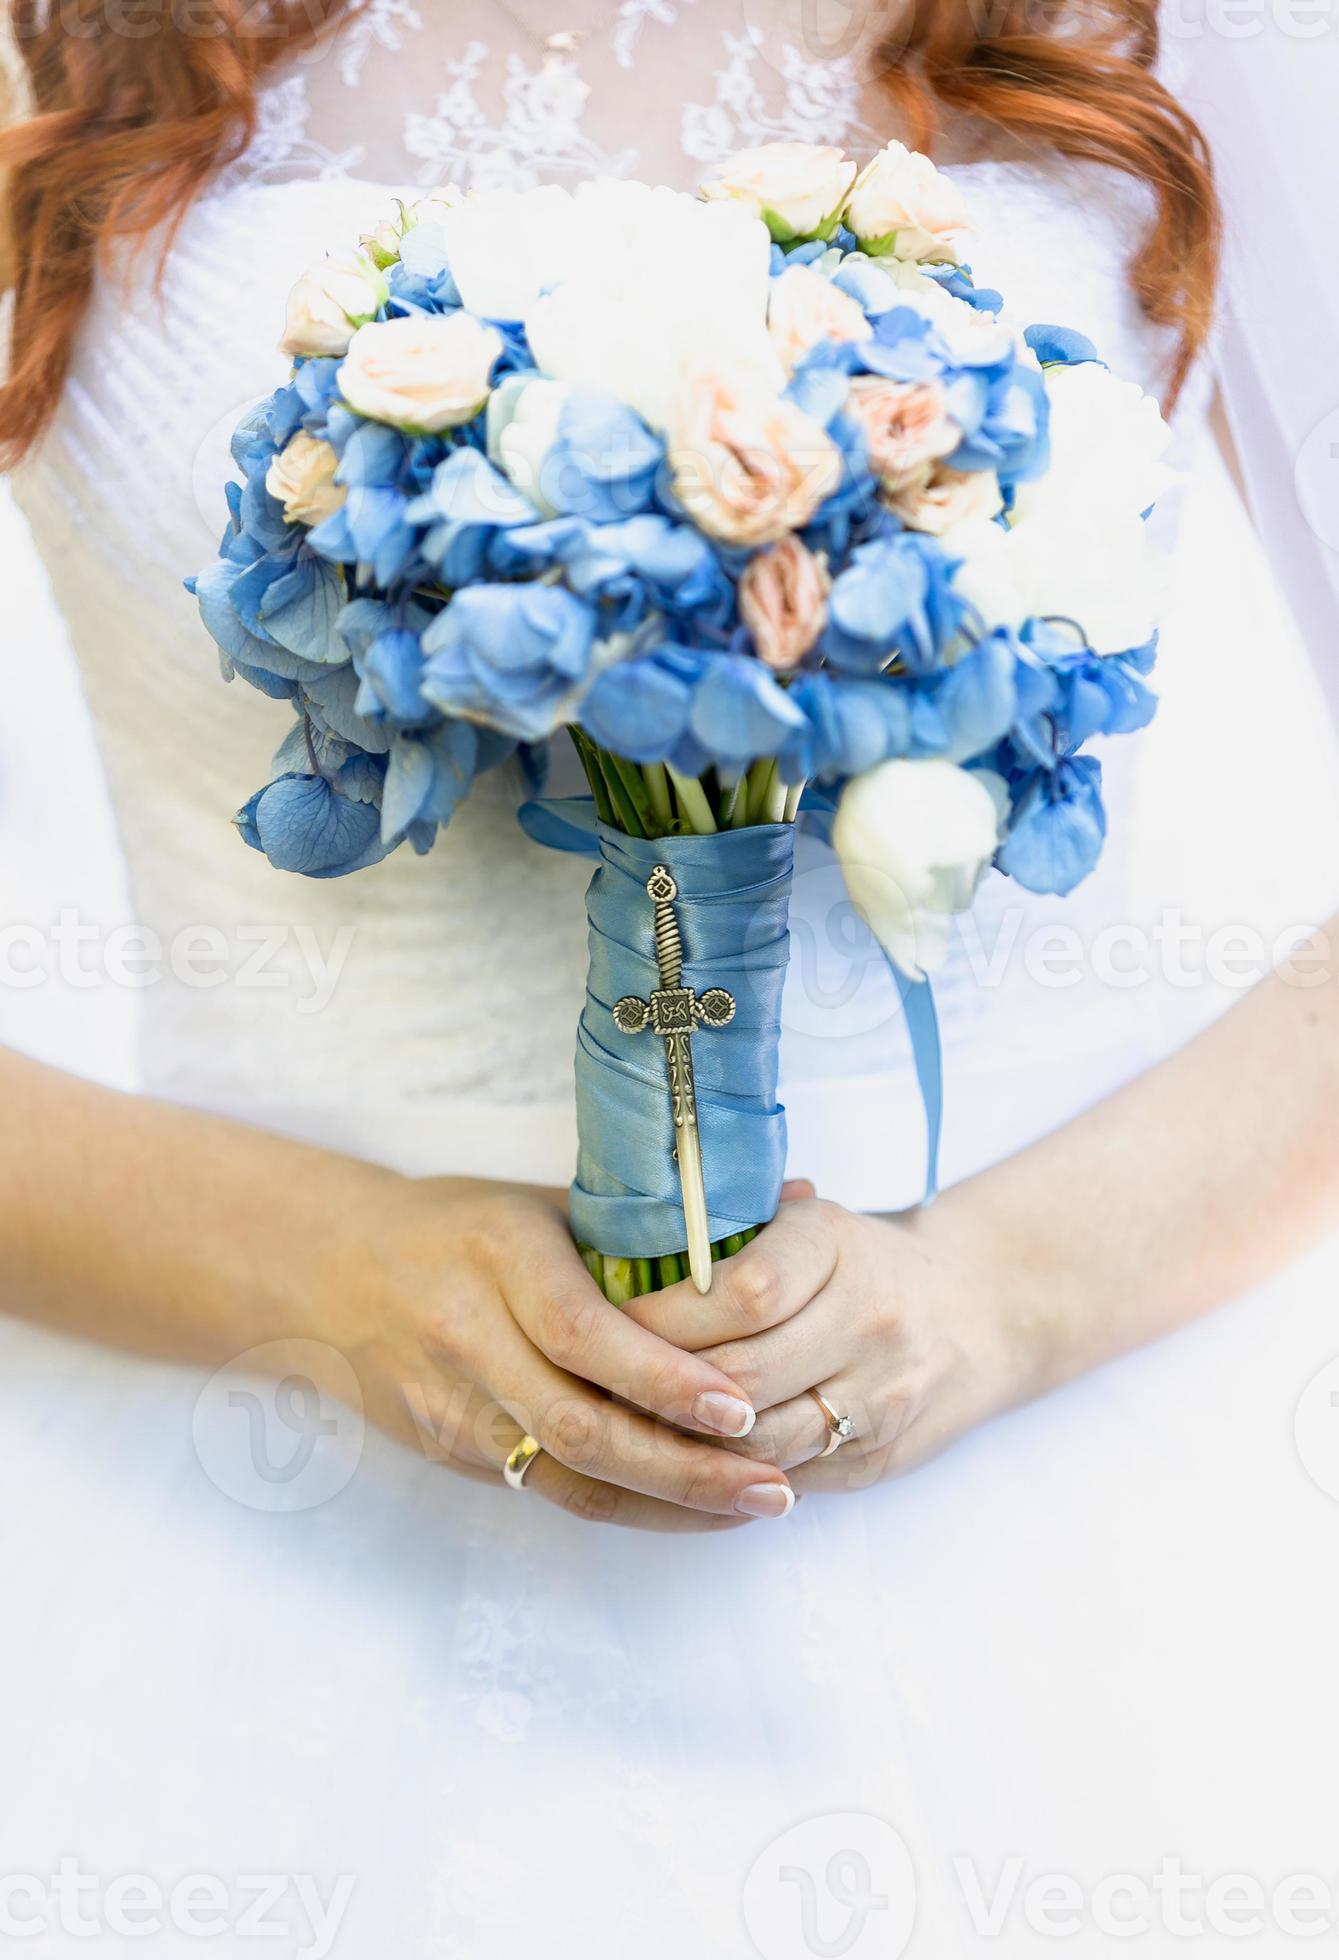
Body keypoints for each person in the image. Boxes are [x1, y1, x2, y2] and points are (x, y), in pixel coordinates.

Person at [2, 3, 1337, 1952]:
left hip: (1083, 1572)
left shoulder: (1157, 25)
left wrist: (1006, 1293)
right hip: (255, 1550)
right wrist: (323, 1264)